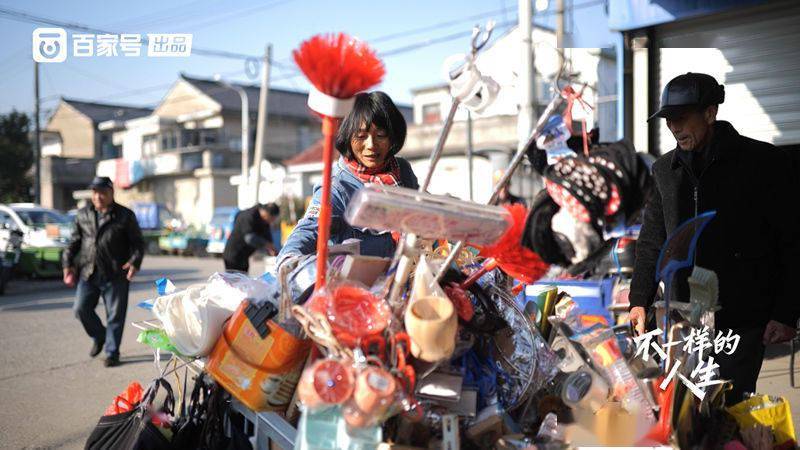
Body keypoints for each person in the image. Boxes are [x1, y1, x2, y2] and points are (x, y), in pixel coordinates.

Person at [629, 72, 799, 403]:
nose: (674, 128)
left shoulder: (763, 163)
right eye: (669, 120)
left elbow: (792, 242)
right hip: (682, 318)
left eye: (681, 118)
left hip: (743, 317)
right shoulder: (665, 171)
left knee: (729, 408)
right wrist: (639, 298)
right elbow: (652, 241)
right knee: (684, 411)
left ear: (710, 113)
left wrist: (786, 312)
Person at [278, 91, 419, 266]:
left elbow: (423, 212)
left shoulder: (402, 171)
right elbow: (309, 229)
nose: (371, 145)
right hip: (358, 287)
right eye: (361, 136)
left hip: (407, 281)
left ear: (393, 137)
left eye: (381, 135)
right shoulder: (336, 187)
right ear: (348, 137)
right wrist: (289, 260)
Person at [63, 176, 145, 367]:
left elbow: (138, 244)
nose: (98, 197)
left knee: (115, 316)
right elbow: (74, 243)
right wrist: (68, 265)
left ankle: (112, 352)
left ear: (111, 193)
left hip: (116, 273)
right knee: (81, 309)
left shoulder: (125, 215)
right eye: (95, 192)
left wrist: (135, 262)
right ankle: (100, 335)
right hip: (89, 272)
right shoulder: (83, 215)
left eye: (102, 192)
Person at [223, 202, 280, 273]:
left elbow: (268, 239)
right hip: (233, 255)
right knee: (235, 281)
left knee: (244, 281)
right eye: (272, 219)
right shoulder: (248, 216)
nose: (272, 222)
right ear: (267, 214)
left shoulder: (265, 221)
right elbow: (249, 238)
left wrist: (272, 250)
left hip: (244, 257)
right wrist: (266, 245)